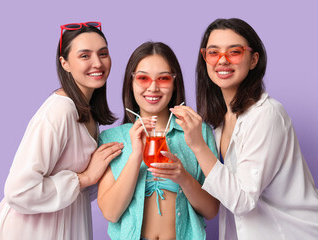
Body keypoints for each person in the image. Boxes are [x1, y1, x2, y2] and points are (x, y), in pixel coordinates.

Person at [170, 18, 318, 240]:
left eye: (235, 52)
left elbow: (242, 201)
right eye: (213, 53)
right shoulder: (221, 120)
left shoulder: (267, 114)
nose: (222, 60)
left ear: (253, 60)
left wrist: (199, 146)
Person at [0, 22, 123, 240]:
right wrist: (83, 178)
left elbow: (82, 189)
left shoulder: (88, 113)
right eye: (84, 56)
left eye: (103, 53)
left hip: (65, 225)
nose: (97, 63)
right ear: (65, 63)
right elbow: (18, 191)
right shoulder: (60, 111)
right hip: (29, 232)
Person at [97, 41, 220, 240]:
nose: (153, 88)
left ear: (174, 82)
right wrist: (136, 155)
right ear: (131, 83)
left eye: (163, 78)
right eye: (143, 78)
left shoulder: (199, 132)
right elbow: (111, 212)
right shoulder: (112, 138)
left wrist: (183, 177)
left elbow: (212, 210)